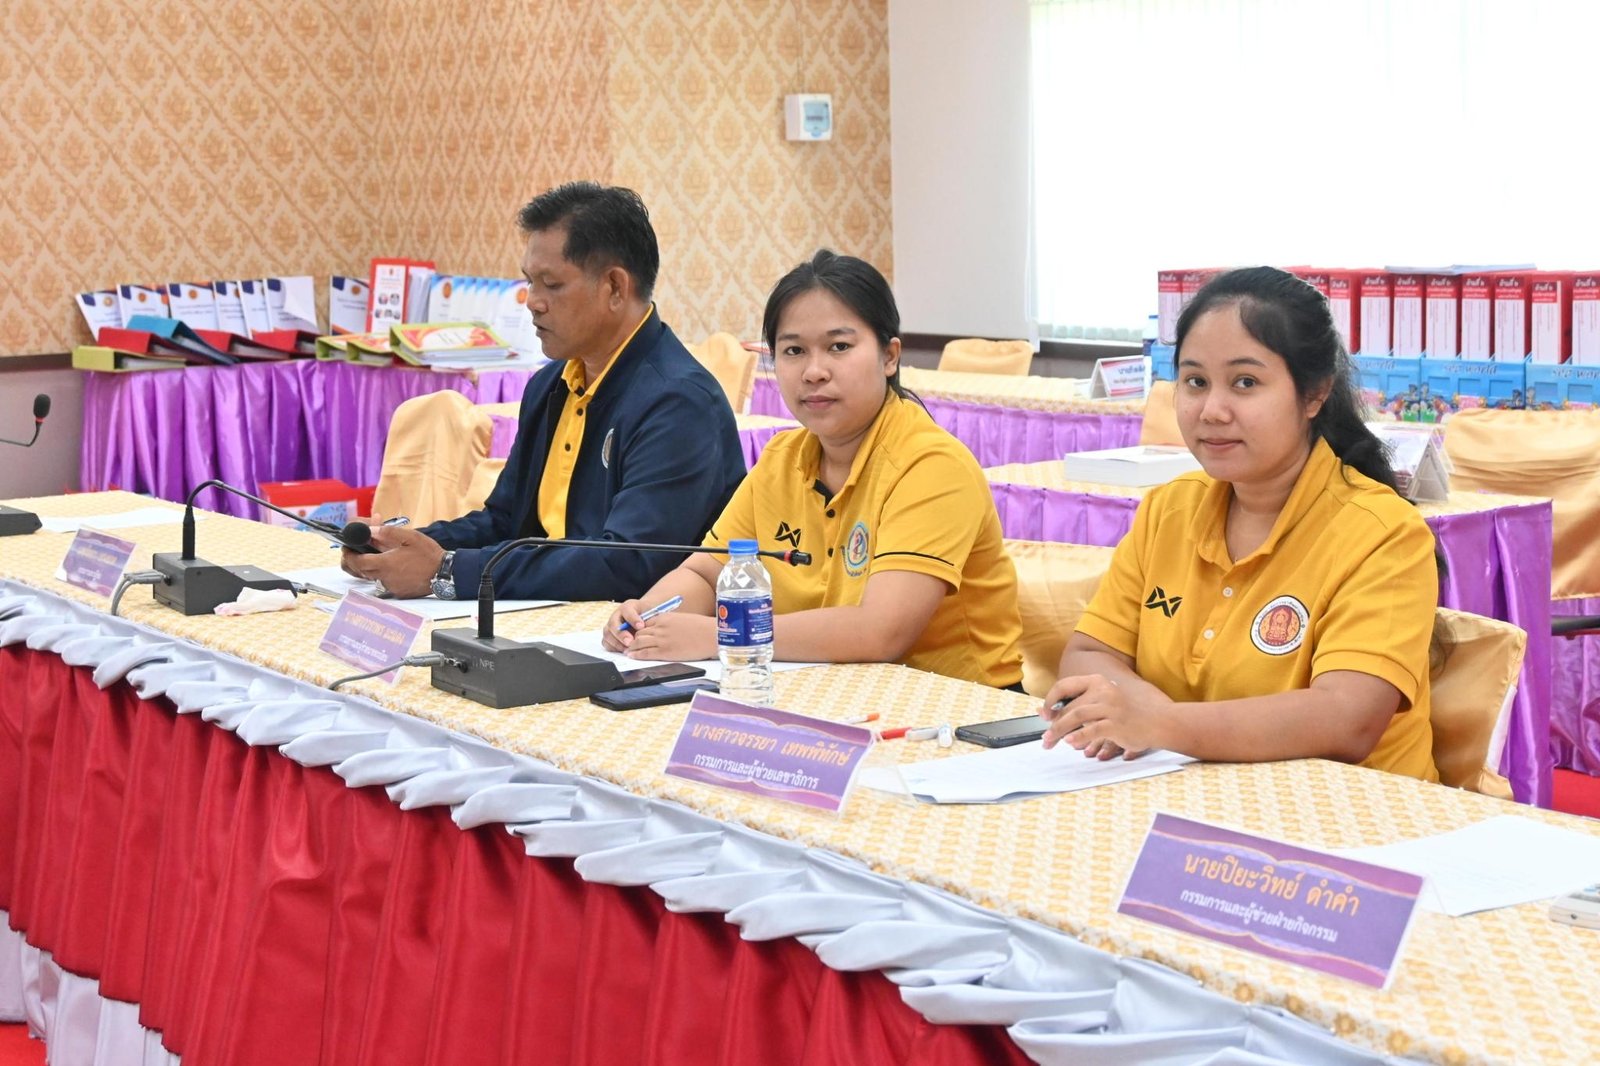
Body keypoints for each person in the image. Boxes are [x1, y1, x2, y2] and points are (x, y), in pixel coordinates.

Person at [1042, 266, 1440, 781]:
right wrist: (1147, 719)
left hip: (1346, 809)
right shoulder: (1170, 508)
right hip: (1183, 786)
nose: (1212, 410)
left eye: (1245, 383)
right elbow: (1090, 653)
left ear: (1315, 393)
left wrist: (1160, 724)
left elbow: (1348, 717)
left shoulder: (1383, 532)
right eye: (1195, 382)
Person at [601, 249, 1024, 688]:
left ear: (890, 356)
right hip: (830, 689)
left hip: (963, 705)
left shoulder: (931, 465)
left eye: (839, 347)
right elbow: (706, 574)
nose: (814, 371)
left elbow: (881, 632)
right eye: (794, 351)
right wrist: (646, 617)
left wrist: (723, 634)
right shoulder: (781, 459)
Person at [343, 182, 745, 601]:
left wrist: (446, 570)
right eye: (529, 283)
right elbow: (505, 521)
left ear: (614, 287)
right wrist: (398, 549)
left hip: (628, 625)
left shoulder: (678, 402)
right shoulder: (551, 385)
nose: (532, 302)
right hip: (550, 611)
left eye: (551, 285)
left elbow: (626, 562)